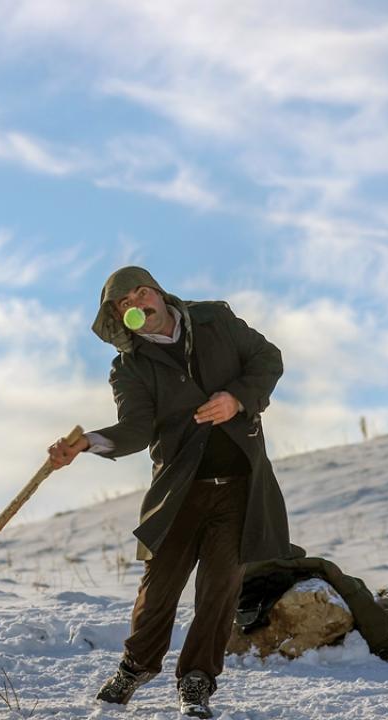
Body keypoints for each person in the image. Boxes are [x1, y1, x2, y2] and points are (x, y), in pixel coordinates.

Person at [47, 266, 289, 718]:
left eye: (143, 293)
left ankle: (197, 681)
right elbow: (136, 430)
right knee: (158, 588)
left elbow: (268, 359)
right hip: (179, 490)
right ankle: (135, 667)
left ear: (159, 294)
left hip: (241, 486)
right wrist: (87, 443)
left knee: (220, 589)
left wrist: (237, 398)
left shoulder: (216, 321)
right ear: (121, 318)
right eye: (125, 304)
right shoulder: (130, 367)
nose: (138, 304)